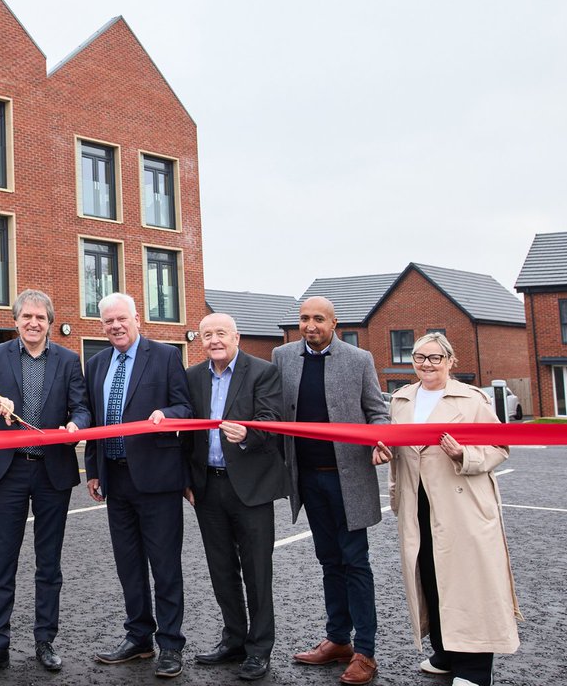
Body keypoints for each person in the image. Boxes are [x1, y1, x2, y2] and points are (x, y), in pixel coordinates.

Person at [372, 333, 520, 686]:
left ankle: (474, 670)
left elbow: (499, 446)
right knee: (430, 578)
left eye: (435, 358)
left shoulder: (472, 399)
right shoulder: (402, 400)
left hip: (462, 505)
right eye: (420, 357)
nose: (427, 364)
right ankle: (445, 653)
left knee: (469, 584)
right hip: (418, 504)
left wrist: (464, 455)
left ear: (451, 361)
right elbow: (400, 447)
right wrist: (384, 452)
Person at [0, 289, 91, 677]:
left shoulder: (68, 360)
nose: (33, 323)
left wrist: (76, 424)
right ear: (15, 321)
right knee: (3, 561)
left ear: (50, 322)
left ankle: (45, 641)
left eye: (40, 317)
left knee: (49, 563)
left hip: (53, 471)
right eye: (26, 317)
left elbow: (82, 407)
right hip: (10, 470)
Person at [272, 296, 388, 686]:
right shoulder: (282, 357)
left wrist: (379, 440)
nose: (310, 325)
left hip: (348, 478)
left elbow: (377, 412)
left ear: (334, 323)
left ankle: (365, 652)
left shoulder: (359, 360)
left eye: (318, 319)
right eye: (304, 318)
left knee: (355, 562)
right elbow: (274, 412)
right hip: (307, 480)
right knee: (329, 562)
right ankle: (338, 639)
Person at [84, 292, 193, 679]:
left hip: (158, 480)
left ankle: (171, 644)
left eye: (121, 319)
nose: (116, 326)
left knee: (165, 566)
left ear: (136, 319)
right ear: (102, 326)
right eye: (108, 321)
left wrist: (167, 413)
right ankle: (139, 638)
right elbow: (93, 420)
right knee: (129, 565)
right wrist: (93, 469)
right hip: (115, 479)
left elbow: (186, 407)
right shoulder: (96, 364)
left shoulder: (165, 356)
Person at [182, 313, 287, 681]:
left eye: (221, 333)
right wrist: (187, 479)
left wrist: (248, 435)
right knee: (222, 569)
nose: (214, 340)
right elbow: (187, 432)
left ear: (237, 337)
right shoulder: (193, 376)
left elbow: (272, 420)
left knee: (257, 571)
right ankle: (234, 640)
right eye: (207, 334)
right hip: (207, 487)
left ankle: (259, 649)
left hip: (250, 488)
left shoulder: (262, 372)